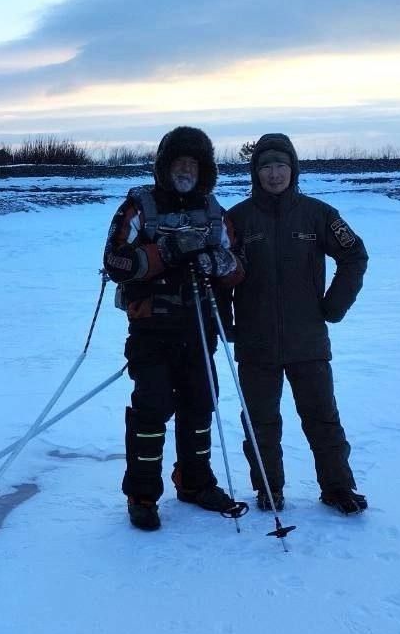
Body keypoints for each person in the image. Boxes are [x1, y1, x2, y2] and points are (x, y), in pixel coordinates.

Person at [102, 126, 246, 531]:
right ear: (164, 167)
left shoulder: (216, 212)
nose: (186, 171)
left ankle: (195, 482)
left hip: (200, 327)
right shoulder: (140, 207)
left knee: (201, 404)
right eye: (179, 163)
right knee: (151, 410)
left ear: (205, 171)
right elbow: (115, 260)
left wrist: (216, 264)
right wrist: (165, 251)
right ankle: (143, 495)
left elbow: (238, 265)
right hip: (151, 328)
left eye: (193, 165)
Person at [225, 133, 369, 515]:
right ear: (256, 172)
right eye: (266, 166)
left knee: (323, 418)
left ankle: (338, 486)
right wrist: (225, 323)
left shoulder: (318, 214)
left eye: (281, 166)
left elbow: (355, 256)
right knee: (260, 423)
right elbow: (220, 276)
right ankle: (268, 489)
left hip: (308, 340)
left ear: (293, 170)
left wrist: (333, 306)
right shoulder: (237, 219)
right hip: (256, 343)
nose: (274, 174)